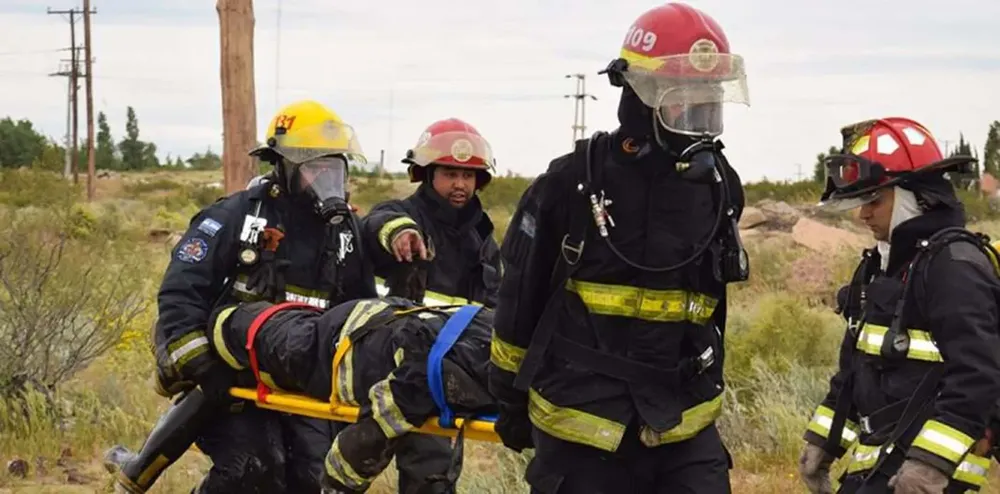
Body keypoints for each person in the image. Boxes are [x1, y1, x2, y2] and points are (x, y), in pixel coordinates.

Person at [487, 3, 750, 493]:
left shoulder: (718, 186)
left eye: (708, 99)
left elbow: (715, 307)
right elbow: (518, 299)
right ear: (641, 96)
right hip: (583, 420)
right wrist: (506, 396)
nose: (699, 116)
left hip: (682, 418)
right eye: (684, 99)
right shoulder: (568, 183)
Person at [105, 99, 379, 493]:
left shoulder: (345, 232)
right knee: (253, 467)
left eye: (334, 168)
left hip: (297, 376)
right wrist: (204, 368)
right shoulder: (235, 217)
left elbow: (361, 308)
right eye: (315, 168)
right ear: (283, 166)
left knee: (313, 477)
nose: (326, 180)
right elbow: (180, 295)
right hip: (224, 373)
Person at [797, 116, 1000, 493]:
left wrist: (930, 467)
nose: (864, 213)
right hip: (879, 469)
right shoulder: (880, 269)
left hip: (935, 480)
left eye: (874, 199)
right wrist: (824, 441)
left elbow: (977, 377)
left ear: (913, 197)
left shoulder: (954, 266)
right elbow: (856, 371)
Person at [201, 283, 496, 494]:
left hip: (388, 323)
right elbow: (363, 443)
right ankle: (201, 330)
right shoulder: (442, 377)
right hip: (329, 345)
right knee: (251, 332)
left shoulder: (509, 339)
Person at [363, 118, 502, 308]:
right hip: (400, 335)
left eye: (468, 175)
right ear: (427, 174)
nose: (460, 184)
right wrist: (399, 231)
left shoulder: (484, 240)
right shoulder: (401, 215)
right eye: (450, 174)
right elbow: (376, 222)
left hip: (465, 338)